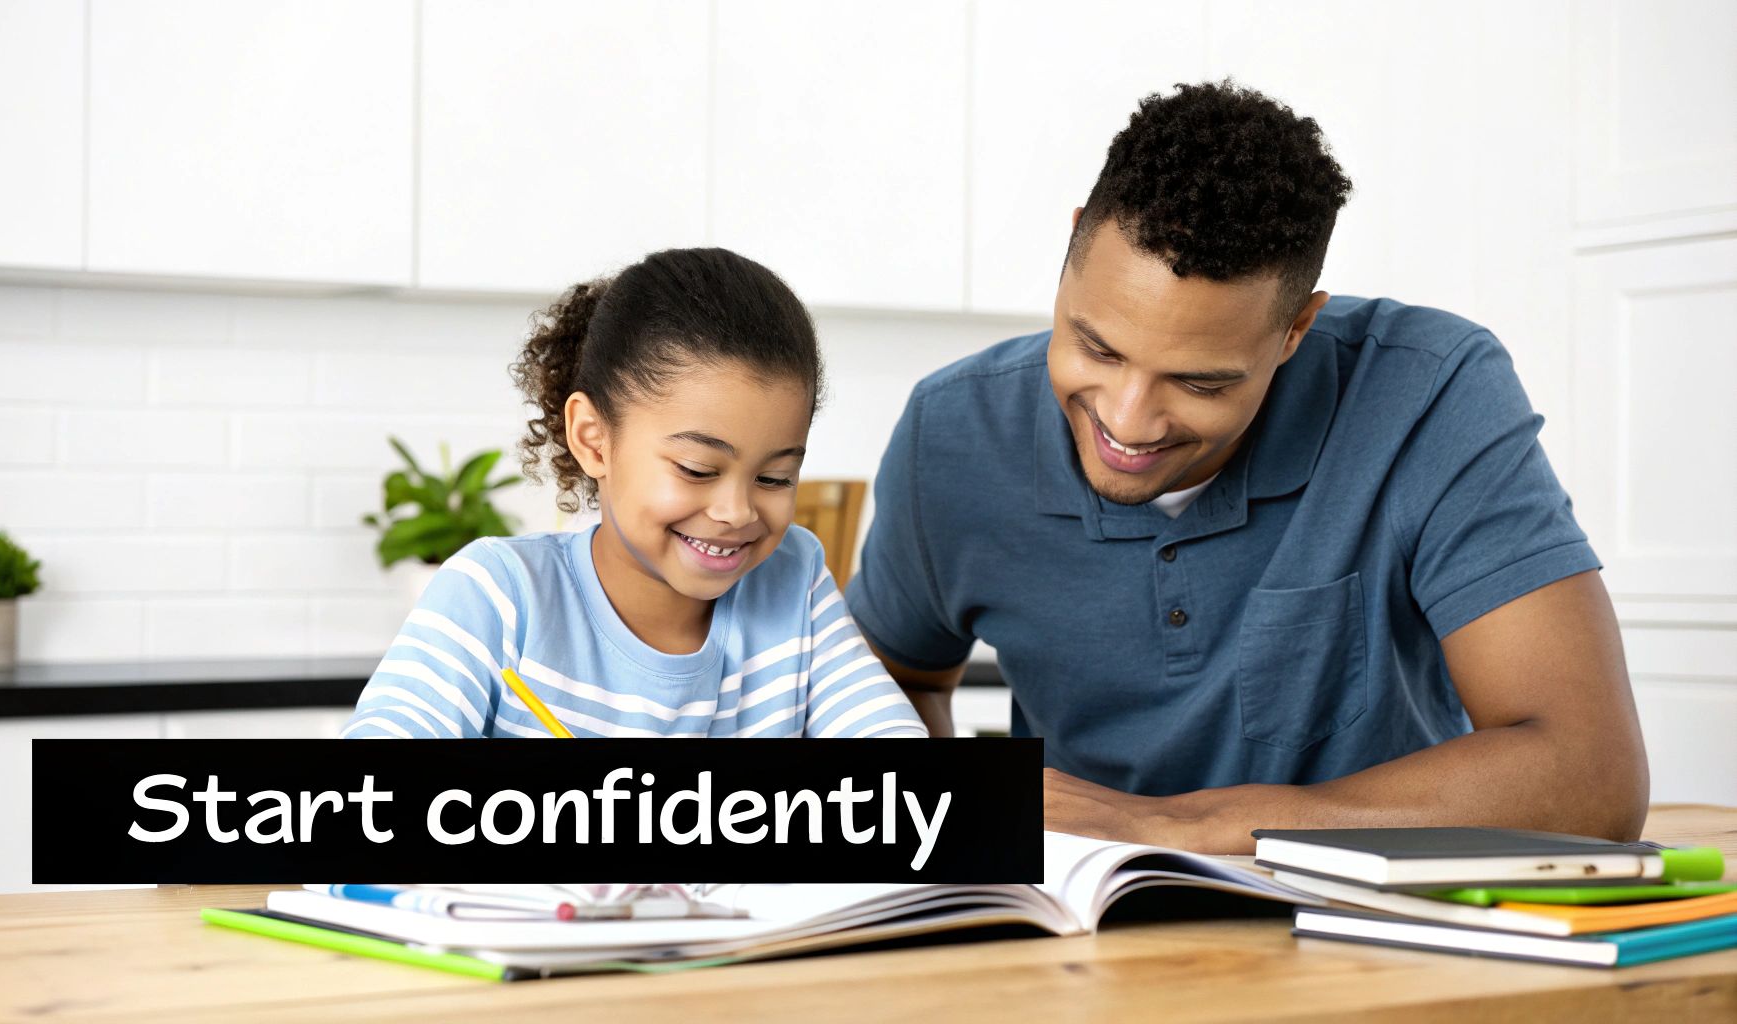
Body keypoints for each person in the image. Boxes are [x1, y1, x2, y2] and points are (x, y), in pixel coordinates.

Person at [846, 81, 1645, 851]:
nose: (1126, 421)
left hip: (1368, 935)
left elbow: (1591, 777)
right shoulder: (950, 431)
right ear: (1073, 241)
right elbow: (895, 688)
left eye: (1199, 382)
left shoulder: (1429, 390)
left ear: (1295, 329)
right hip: (1073, 933)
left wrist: (1178, 827)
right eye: (1097, 346)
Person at [342, 247, 926, 740]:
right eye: (697, 469)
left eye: (774, 478)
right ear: (594, 441)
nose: (736, 511)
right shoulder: (500, 597)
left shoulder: (794, 585)